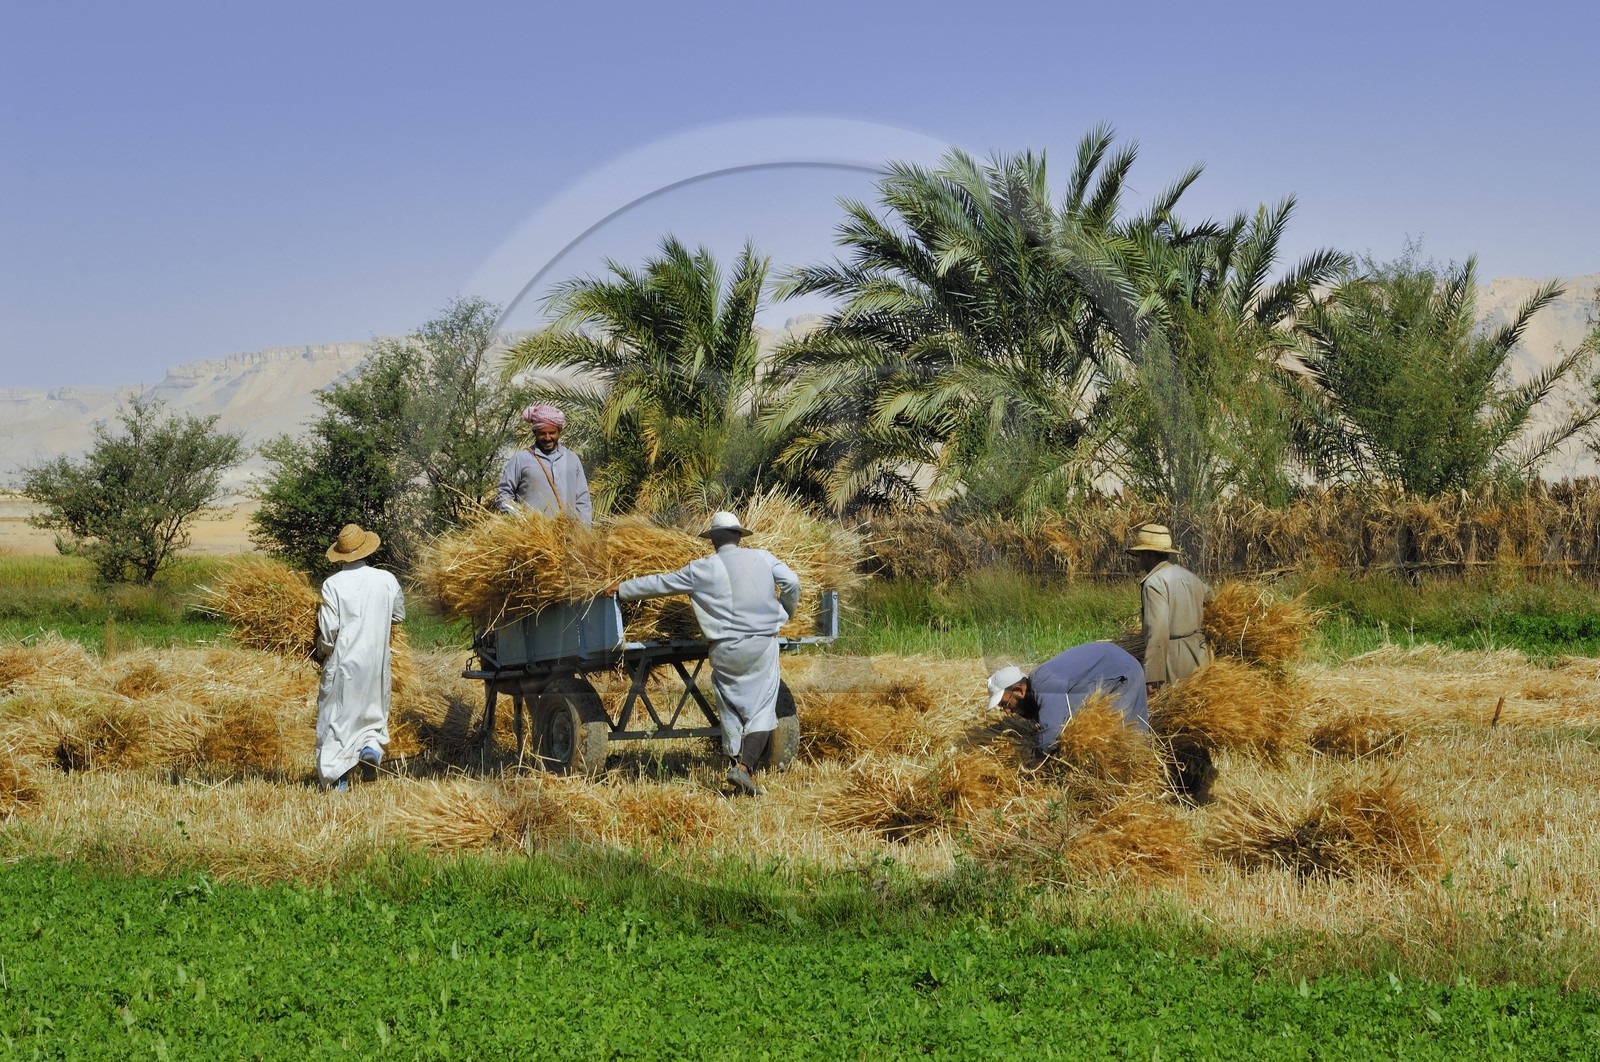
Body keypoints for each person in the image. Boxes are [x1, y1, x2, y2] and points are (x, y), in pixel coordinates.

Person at [604, 511, 800, 796]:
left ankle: (737, 765)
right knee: (762, 708)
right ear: (739, 536)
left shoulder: (702, 568)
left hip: (725, 648)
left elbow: (660, 583)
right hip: (762, 644)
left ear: (713, 540)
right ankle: (744, 769)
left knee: (729, 706)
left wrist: (621, 589)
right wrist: (786, 610)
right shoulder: (764, 557)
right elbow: (792, 583)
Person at [314, 523, 406, 791]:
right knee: (371, 713)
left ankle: (337, 781)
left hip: (344, 662)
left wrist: (320, 651)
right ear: (366, 550)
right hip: (377, 662)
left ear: (341, 555)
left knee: (337, 721)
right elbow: (399, 615)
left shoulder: (332, 584)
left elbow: (329, 633)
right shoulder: (386, 579)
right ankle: (370, 750)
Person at [986, 642, 1149, 755]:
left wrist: (1035, 762)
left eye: (1005, 704)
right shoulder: (1039, 682)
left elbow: (1052, 731)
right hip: (1112, 665)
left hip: (1122, 671)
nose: (1007, 711)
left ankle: (1147, 788)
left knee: (1125, 739)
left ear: (1019, 690)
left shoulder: (1044, 684)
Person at [1127, 523, 1211, 695]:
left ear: (1149, 554)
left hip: (1175, 662)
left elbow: (1157, 631)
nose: (1138, 559)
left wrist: (1152, 676)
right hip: (1201, 655)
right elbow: (1212, 599)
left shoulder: (1153, 583)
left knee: (1175, 713)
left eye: (1140, 555)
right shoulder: (1189, 576)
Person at [495, 403, 593, 526]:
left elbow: (582, 500)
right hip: (532, 538)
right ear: (535, 432)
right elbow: (503, 495)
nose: (547, 438)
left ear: (559, 431)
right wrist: (520, 519)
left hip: (568, 538)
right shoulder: (520, 459)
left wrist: (583, 533)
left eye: (552, 433)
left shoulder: (572, 459)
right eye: (542, 433)